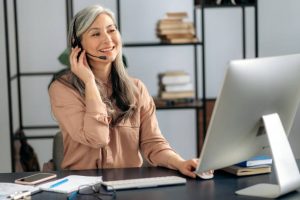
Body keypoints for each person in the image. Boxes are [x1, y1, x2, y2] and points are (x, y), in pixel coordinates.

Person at [49, 4, 213, 179]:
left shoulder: (136, 89)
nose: (108, 40)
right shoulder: (62, 89)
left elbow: (153, 144)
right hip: (83, 188)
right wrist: (89, 82)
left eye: (111, 30)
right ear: (77, 45)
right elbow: (98, 138)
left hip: (128, 185)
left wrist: (180, 162)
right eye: (96, 34)